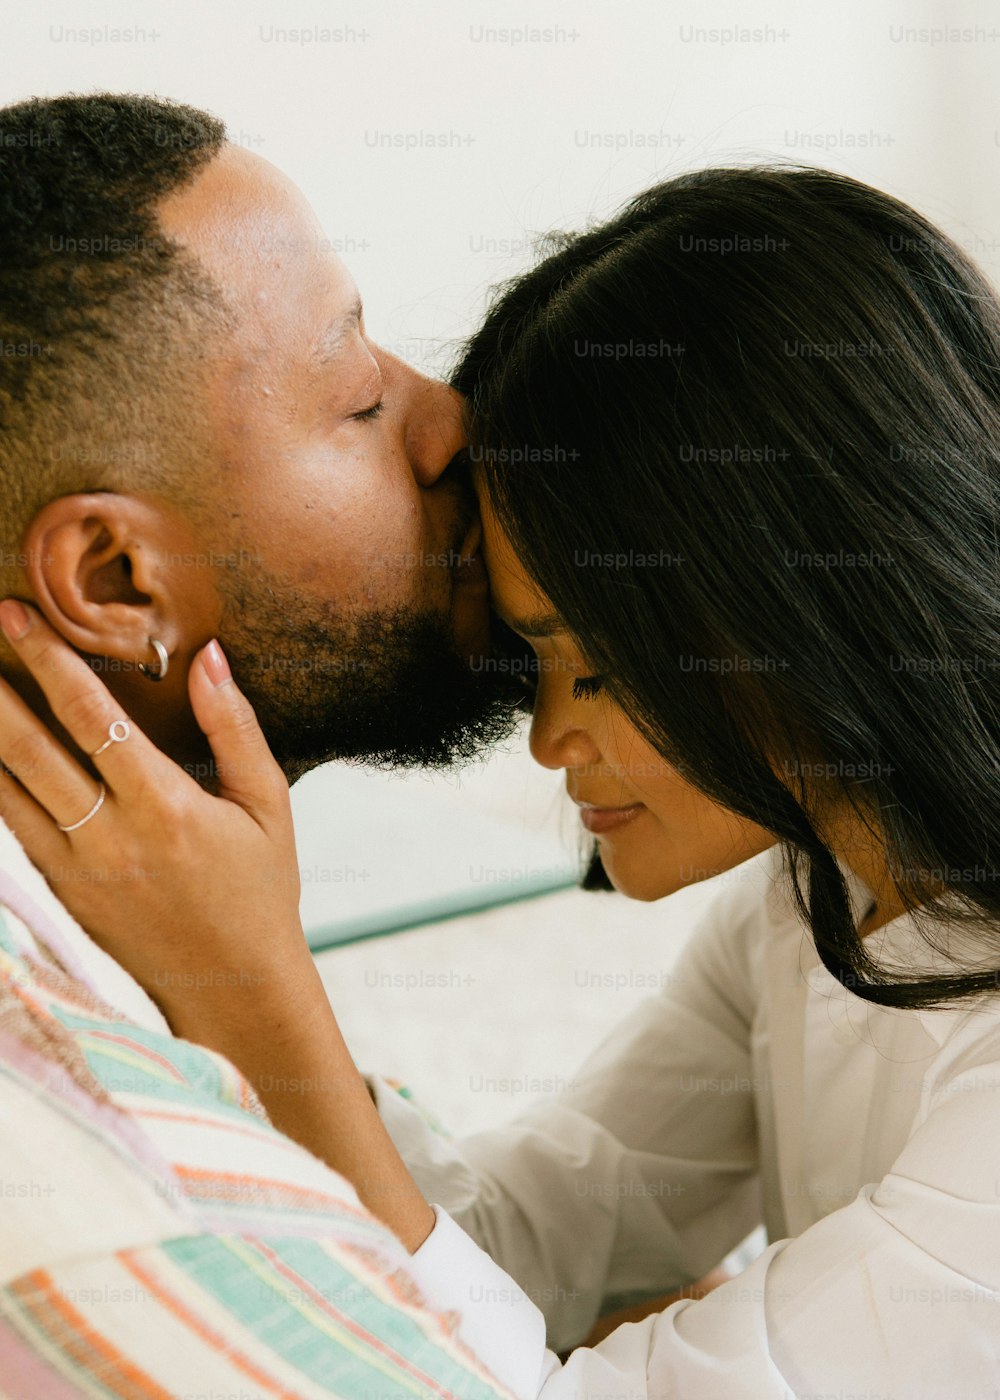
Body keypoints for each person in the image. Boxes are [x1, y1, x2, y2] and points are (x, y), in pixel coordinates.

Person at [3, 112, 1000, 1397]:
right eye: (358, 396)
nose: (541, 739)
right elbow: (522, 1244)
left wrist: (250, 984)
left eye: (581, 661)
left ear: (788, 611)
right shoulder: (812, 897)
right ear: (115, 577)